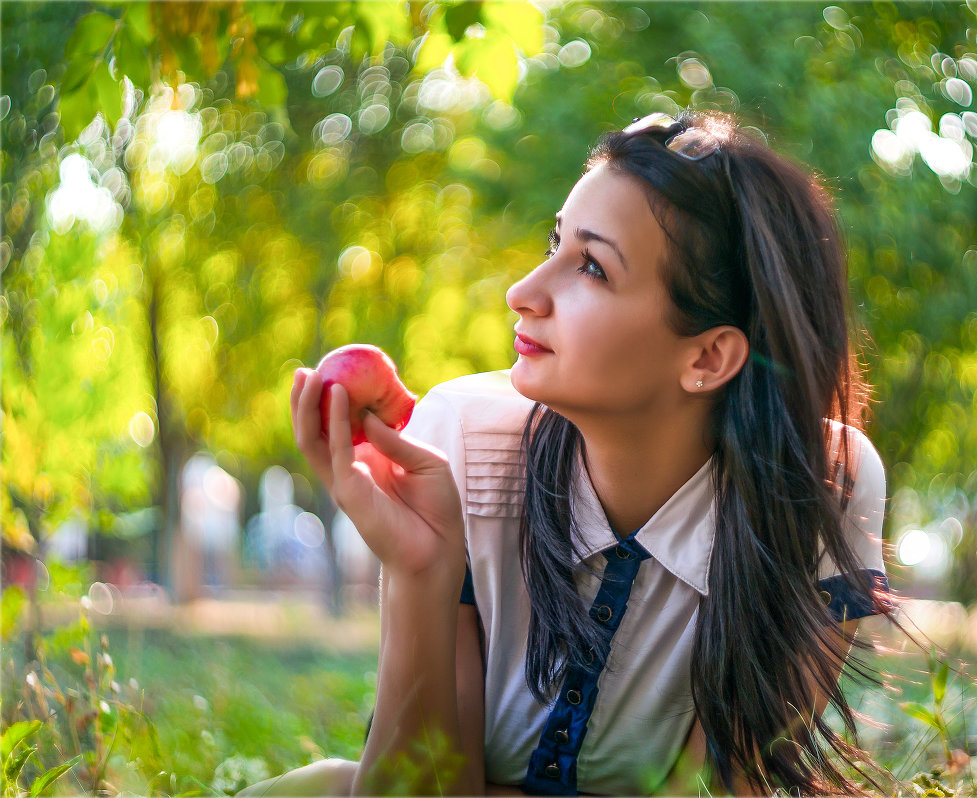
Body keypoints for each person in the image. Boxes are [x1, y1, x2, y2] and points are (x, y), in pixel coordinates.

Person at [246, 109, 895, 797]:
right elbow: (414, 789)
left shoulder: (821, 487)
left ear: (708, 356)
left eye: (590, 267)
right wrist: (419, 572)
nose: (521, 293)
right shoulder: (460, 437)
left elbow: (726, 788)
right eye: (553, 243)